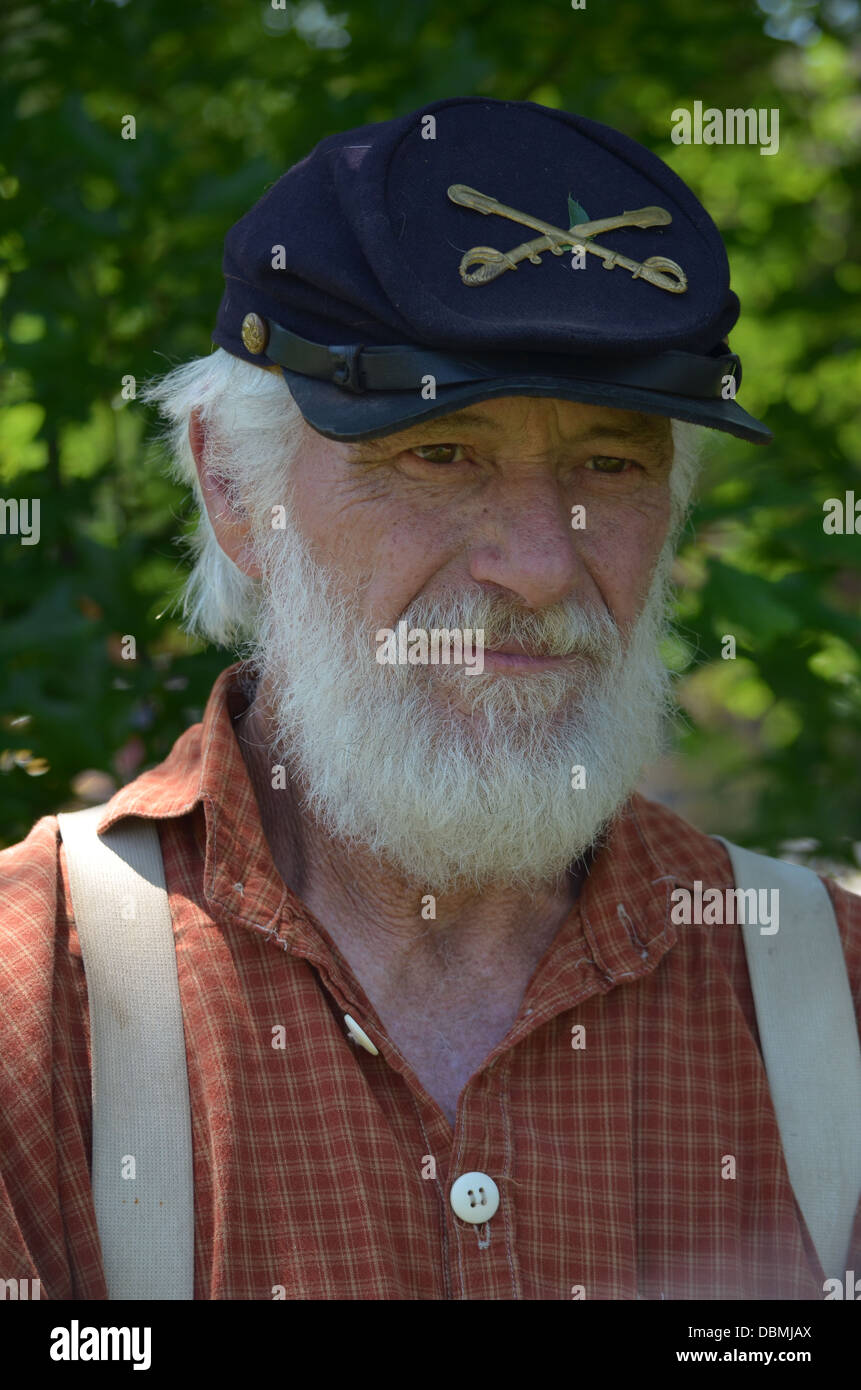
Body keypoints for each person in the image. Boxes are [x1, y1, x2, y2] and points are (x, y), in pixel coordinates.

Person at [1, 96, 857, 1301]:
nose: (542, 565)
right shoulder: (31, 1009)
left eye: (610, 465)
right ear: (234, 489)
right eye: (439, 453)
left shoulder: (833, 997)